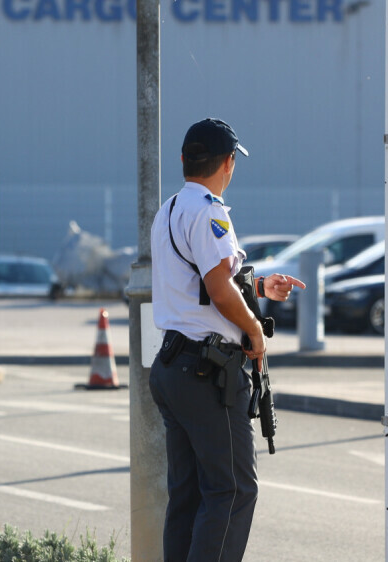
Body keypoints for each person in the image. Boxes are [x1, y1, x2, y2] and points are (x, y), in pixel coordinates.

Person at [149, 118, 306, 561]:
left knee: (189, 495)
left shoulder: (170, 209)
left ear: (184, 160)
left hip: (173, 365)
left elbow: (200, 285)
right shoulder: (211, 211)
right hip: (206, 373)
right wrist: (255, 331)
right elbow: (218, 291)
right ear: (228, 163)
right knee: (233, 491)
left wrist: (258, 289)